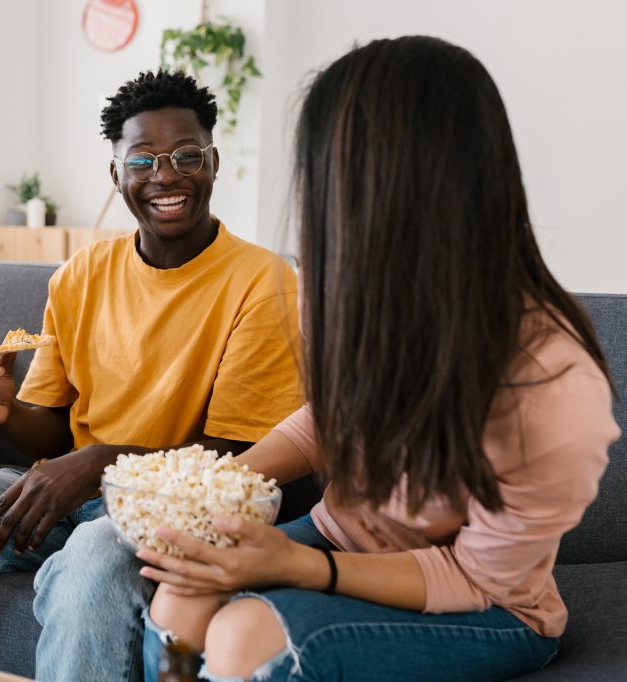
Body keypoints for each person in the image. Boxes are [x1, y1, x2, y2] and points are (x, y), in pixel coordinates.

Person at [138, 36, 621, 682]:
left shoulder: (555, 385)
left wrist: (298, 565)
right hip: (348, 535)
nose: (312, 210)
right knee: (181, 591)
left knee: (242, 637)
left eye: (327, 187)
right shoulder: (357, 295)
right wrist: (218, 490)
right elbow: (333, 418)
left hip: (490, 604)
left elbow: (478, 576)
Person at [0, 70, 306, 681]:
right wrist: (3, 411)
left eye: (187, 155)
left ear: (212, 163)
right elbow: (51, 436)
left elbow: (242, 456)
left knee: (91, 559)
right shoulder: (79, 276)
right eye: (143, 159)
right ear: (116, 174)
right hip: (69, 497)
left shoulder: (263, 282)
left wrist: (99, 464)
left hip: (169, 517)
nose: (166, 175)